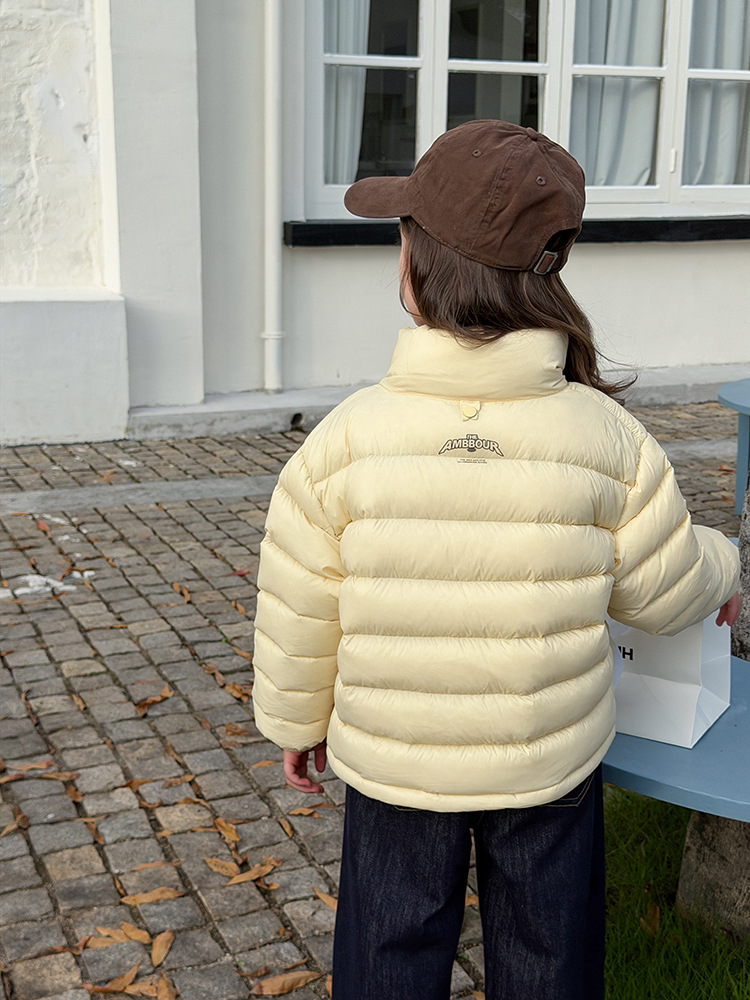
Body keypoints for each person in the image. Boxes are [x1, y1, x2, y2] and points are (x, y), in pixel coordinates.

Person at [251, 121, 741, 1000]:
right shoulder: (606, 437)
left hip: (395, 764)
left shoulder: (345, 438)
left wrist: (296, 722)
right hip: (545, 758)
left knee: (387, 955)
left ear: (416, 267)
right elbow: (664, 591)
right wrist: (724, 564)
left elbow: (300, 602)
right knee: (550, 956)